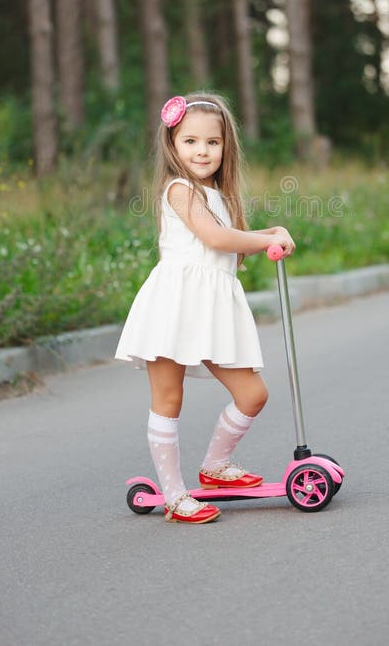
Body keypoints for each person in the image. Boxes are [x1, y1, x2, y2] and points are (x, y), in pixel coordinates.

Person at [115, 93, 295, 524]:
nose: (201, 151)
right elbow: (215, 240)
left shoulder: (220, 195)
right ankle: (176, 496)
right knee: (168, 398)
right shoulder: (179, 190)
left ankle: (214, 466)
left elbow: (231, 247)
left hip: (211, 311)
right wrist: (265, 235)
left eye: (212, 143)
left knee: (253, 393)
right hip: (173, 307)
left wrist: (269, 234)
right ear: (173, 145)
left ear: (225, 147)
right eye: (190, 141)